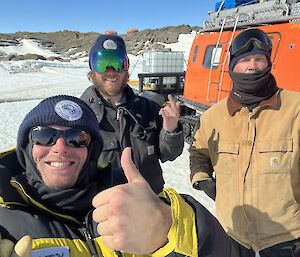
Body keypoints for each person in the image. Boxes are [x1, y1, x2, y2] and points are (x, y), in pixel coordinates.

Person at [0, 95, 239, 257]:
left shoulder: (144, 107)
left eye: (77, 138)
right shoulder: (5, 216)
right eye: (44, 136)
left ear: (92, 149)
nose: (60, 147)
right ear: (27, 147)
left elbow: (166, 151)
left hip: (143, 197)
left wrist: (167, 227)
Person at [189, 28, 300, 257]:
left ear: (269, 64)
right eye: (245, 60)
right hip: (233, 236)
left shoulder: (296, 109)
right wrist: (202, 179)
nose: (252, 66)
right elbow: (198, 153)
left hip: (287, 239)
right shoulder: (213, 117)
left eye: (259, 59)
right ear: (231, 66)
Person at [80, 34, 184, 194]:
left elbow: (168, 154)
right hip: (106, 207)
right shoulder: (81, 115)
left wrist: (171, 131)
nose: (111, 72)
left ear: (126, 66)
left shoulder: (149, 108)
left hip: (150, 201)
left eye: (117, 63)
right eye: (102, 64)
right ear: (92, 69)